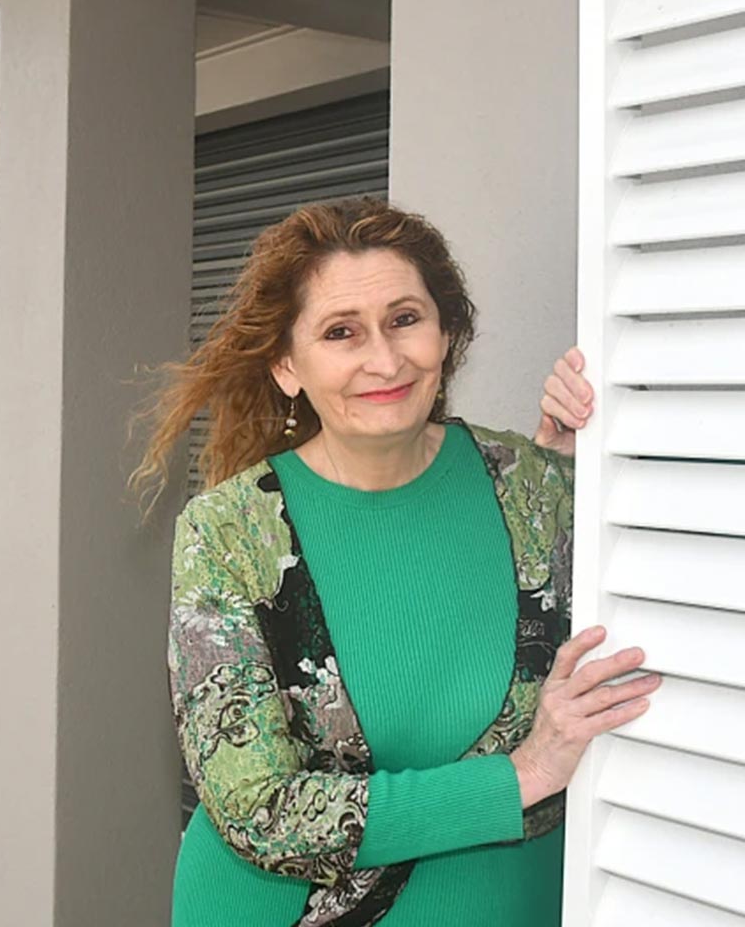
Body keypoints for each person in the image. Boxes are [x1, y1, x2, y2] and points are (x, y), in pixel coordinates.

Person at [129, 198, 655, 927]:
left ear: (446, 332)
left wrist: (615, 425)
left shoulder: (535, 491)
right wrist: (526, 772)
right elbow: (259, 810)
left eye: (405, 319)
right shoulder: (228, 532)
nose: (384, 359)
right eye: (341, 332)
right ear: (286, 365)